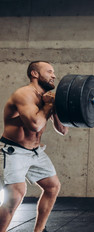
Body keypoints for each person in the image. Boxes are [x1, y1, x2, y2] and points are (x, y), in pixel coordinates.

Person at [0, 61, 68, 232]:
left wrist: (56, 107)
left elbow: (62, 130)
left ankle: (39, 230)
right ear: (35, 74)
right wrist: (49, 106)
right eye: (49, 71)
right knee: (15, 195)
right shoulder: (24, 94)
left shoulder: (47, 98)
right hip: (13, 150)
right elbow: (35, 125)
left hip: (35, 151)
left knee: (52, 187)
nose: (54, 75)